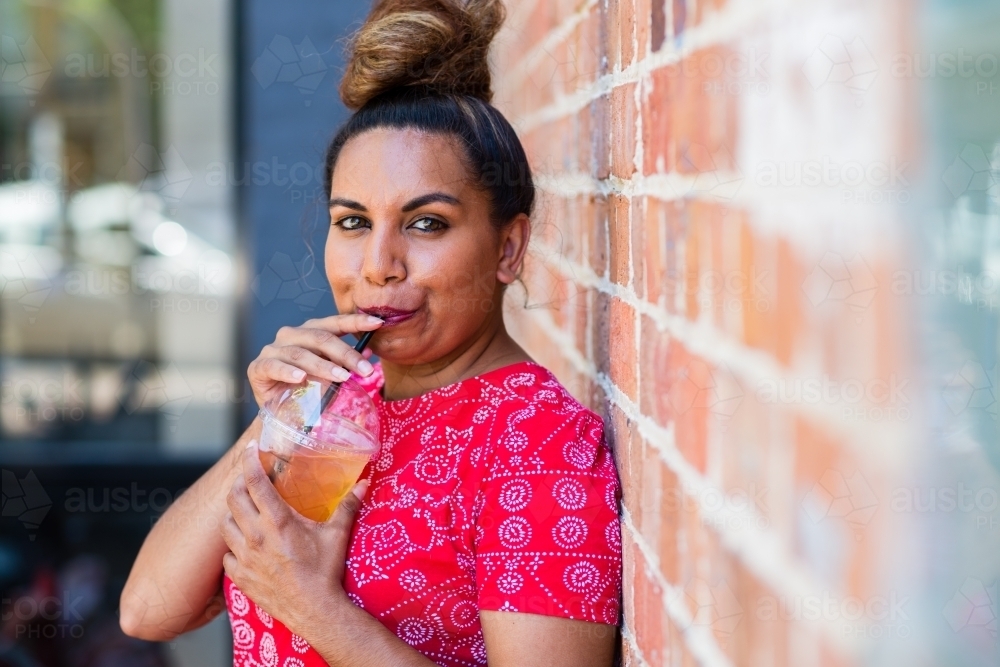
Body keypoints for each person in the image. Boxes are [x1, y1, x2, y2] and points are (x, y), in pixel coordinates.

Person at [120, 1, 623, 665]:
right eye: (354, 223)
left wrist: (311, 606)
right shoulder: (332, 409)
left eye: (425, 224)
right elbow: (148, 609)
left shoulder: (537, 446)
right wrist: (277, 419)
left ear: (509, 247)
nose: (379, 265)